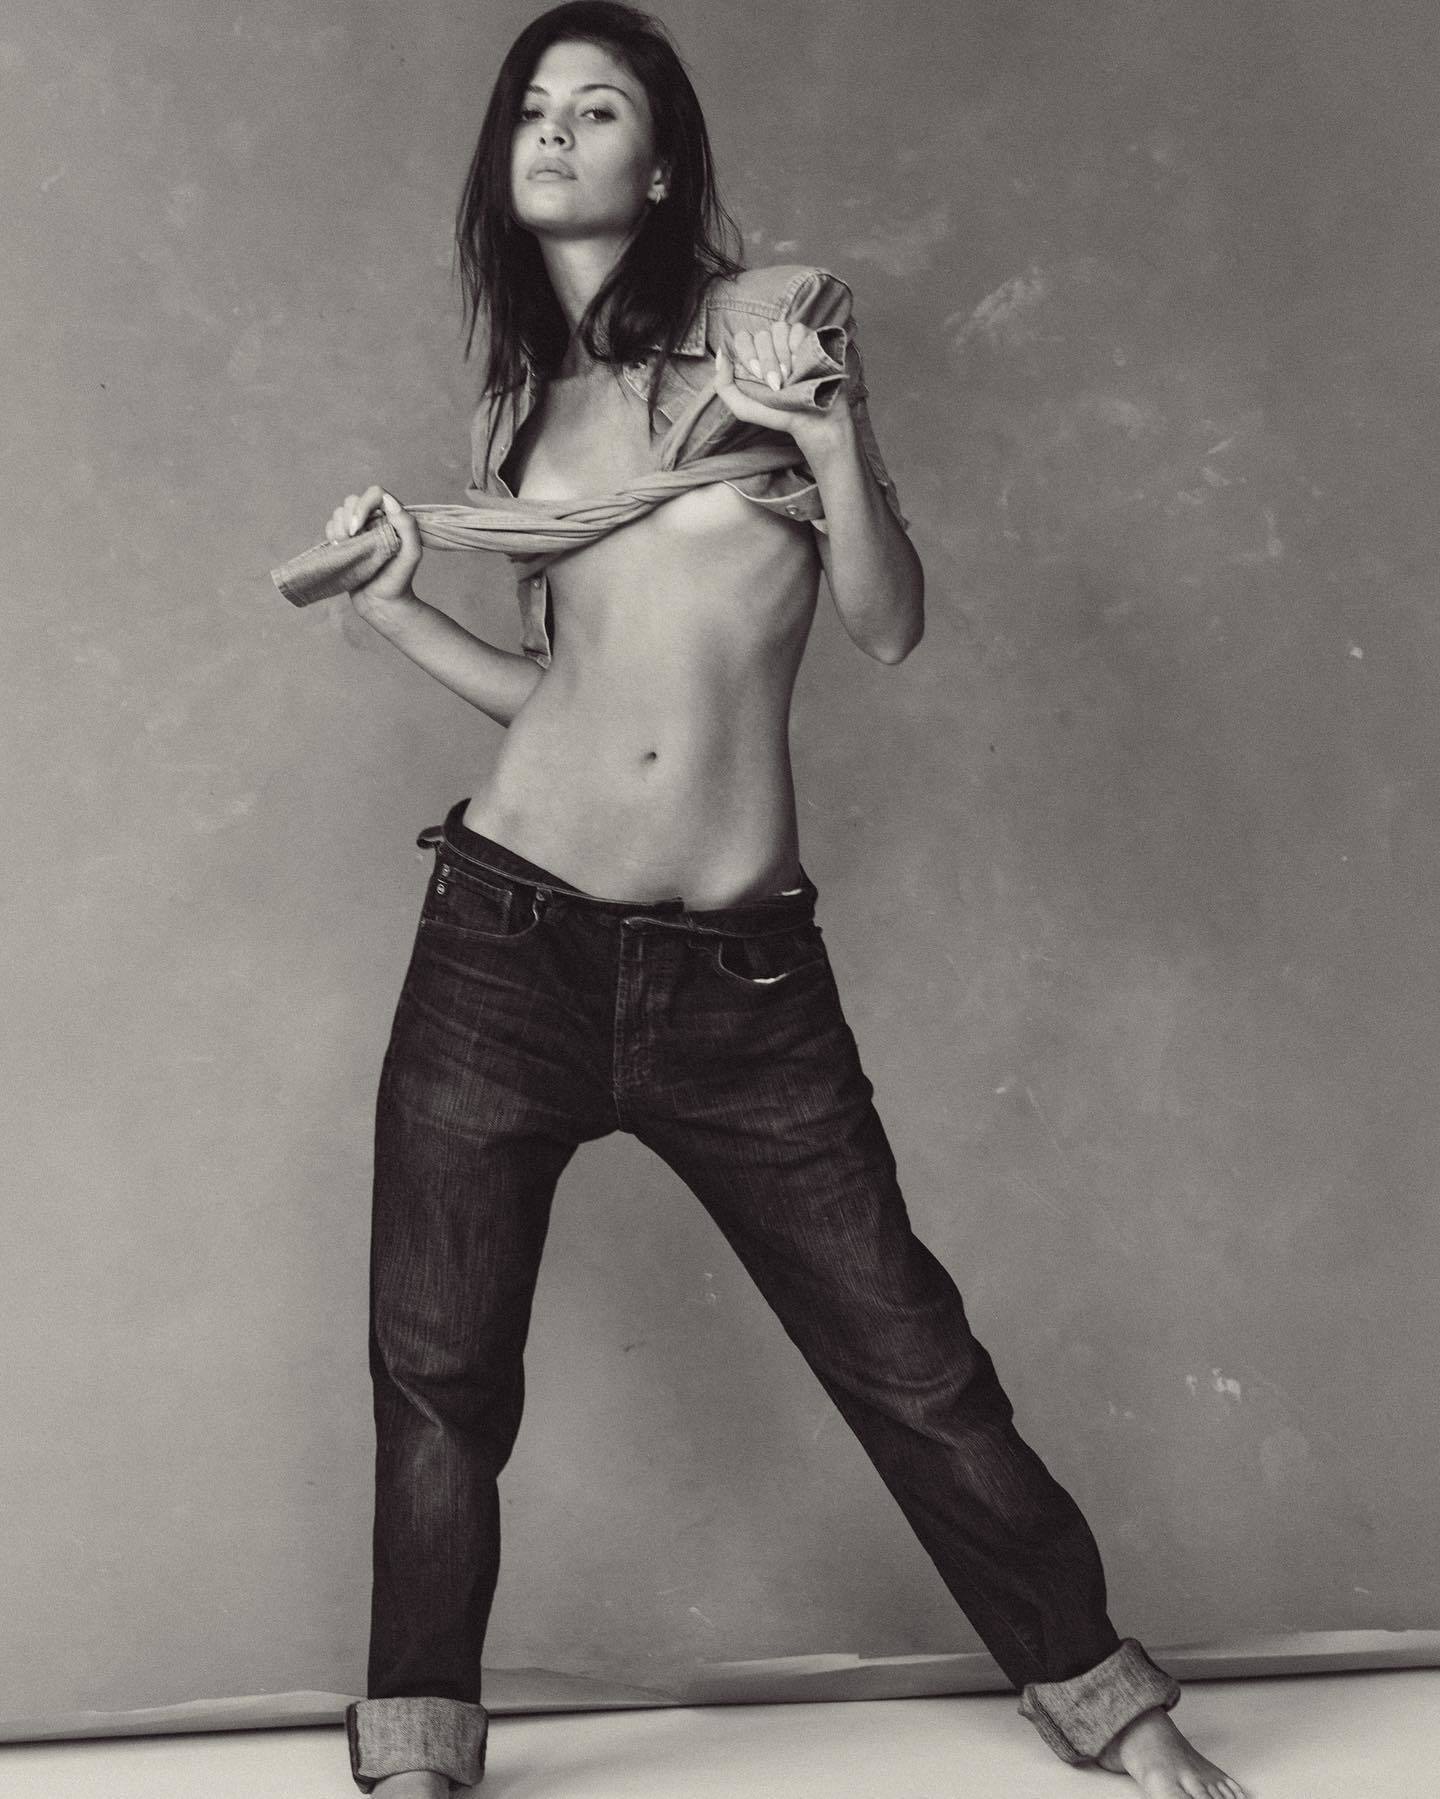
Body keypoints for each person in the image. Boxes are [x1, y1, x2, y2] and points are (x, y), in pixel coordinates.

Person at [324, 7, 1247, 1797]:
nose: (556, 131)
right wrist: (395, 612)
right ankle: (419, 1759)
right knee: (438, 1380)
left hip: (737, 980)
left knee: (911, 1363)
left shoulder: (769, 333)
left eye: (600, 108)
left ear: (665, 163)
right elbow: (571, 699)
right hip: (504, 943)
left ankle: (1114, 1710)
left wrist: (828, 443)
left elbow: (888, 622)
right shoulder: (518, 411)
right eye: (533, 108)